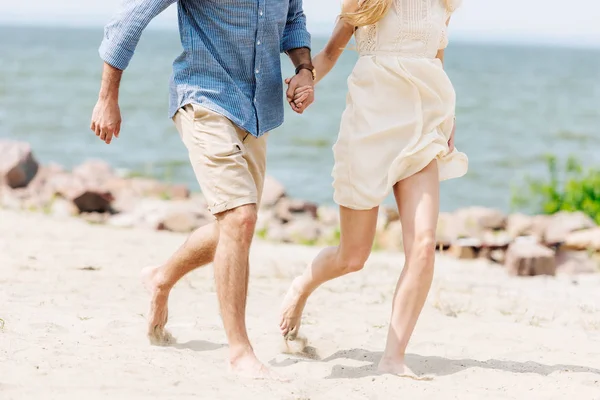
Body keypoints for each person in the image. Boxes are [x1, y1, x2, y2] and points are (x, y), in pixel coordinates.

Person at [89, 0, 316, 379]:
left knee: (234, 225)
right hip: (204, 98)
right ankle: (239, 350)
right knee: (239, 218)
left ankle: (160, 277)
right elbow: (128, 21)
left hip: (258, 110)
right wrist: (107, 97)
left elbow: (293, 19)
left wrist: (304, 69)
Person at [280, 0, 468, 379]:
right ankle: (302, 286)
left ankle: (393, 358)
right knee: (352, 257)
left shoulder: (445, 4)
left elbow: (436, 62)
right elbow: (331, 53)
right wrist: (306, 79)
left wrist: (450, 121)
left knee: (422, 244)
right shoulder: (366, 1)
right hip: (370, 128)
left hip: (423, 129)